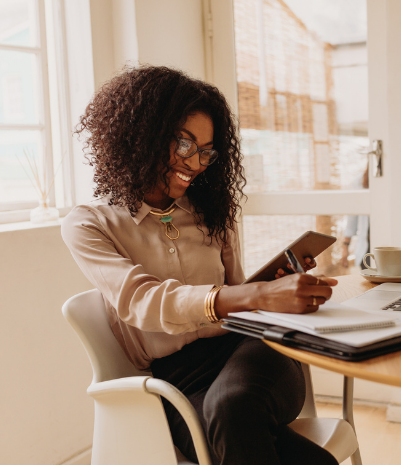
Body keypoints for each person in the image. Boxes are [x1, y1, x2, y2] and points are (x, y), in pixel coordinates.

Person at [61, 66, 339, 465]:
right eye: (184, 143)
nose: (195, 163)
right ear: (141, 133)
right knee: (279, 449)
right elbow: (142, 301)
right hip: (175, 382)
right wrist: (256, 293)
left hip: (252, 351)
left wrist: (269, 287)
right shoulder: (89, 224)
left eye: (206, 151)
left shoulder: (211, 213)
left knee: (232, 406)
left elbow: (239, 292)